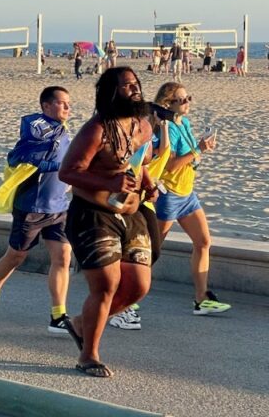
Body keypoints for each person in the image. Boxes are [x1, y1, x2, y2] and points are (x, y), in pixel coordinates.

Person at [58, 66, 158, 378]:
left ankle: (79, 323)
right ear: (111, 92)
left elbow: (136, 162)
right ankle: (89, 355)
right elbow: (68, 172)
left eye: (136, 83)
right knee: (106, 285)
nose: (135, 88)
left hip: (131, 213)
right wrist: (108, 184)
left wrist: (148, 182)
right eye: (127, 85)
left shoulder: (143, 127)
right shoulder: (96, 130)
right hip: (92, 214)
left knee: (139, 286)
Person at [0, 87, 73, 333]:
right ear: (46, 106)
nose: (67, 108)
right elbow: (15, 158)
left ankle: (58, 315)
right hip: (32, 207)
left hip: (59, 208)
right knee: (16, 257)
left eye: (68, 104)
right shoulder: (36, 132)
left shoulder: (63, 132)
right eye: (62, 104)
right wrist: (54, 166)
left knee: (63, 257)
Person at [151, 82, 230, 315]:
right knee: (152, 250)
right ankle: (126, 295)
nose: (188, 103)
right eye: (182, 100)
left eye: (189, 98)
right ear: (168, 104)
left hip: (187, 194)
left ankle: (201, 298)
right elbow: (171, 165)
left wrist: (198, 150)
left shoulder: (183, 122)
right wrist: (198, 150)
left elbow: (189, 158)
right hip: (169, 196)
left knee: (204, 242)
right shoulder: (166, 128)